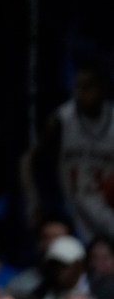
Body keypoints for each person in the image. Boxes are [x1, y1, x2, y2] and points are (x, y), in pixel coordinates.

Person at [30, 59, 114, 245]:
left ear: (102, 88)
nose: (81, 93)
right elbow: (34, 162)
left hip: (107, 209)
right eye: (78, 87)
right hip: (74, 212)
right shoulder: (62, 121)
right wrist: (38, 203)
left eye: (88, 87)